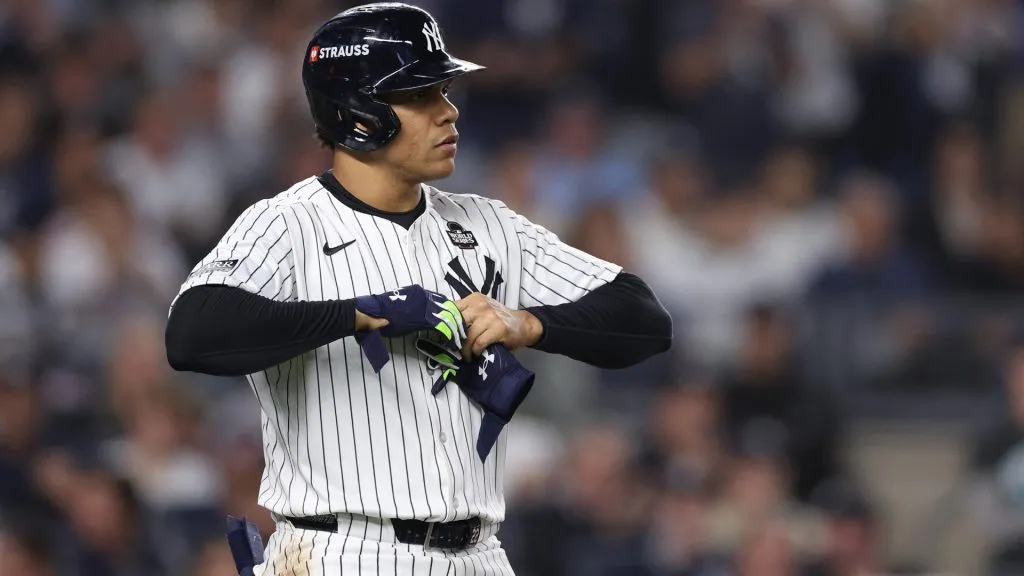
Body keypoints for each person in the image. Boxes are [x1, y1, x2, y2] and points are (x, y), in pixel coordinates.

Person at [164, 3, 672, 574]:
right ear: (357, 113)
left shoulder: (489, 224)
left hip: (480, 553)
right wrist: (358, 315)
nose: (448, 112)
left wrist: (530, 324)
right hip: (343, 551)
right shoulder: (289, 224)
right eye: (420, 96)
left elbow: (645, 319)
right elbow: (191, 333)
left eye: (444, 92)